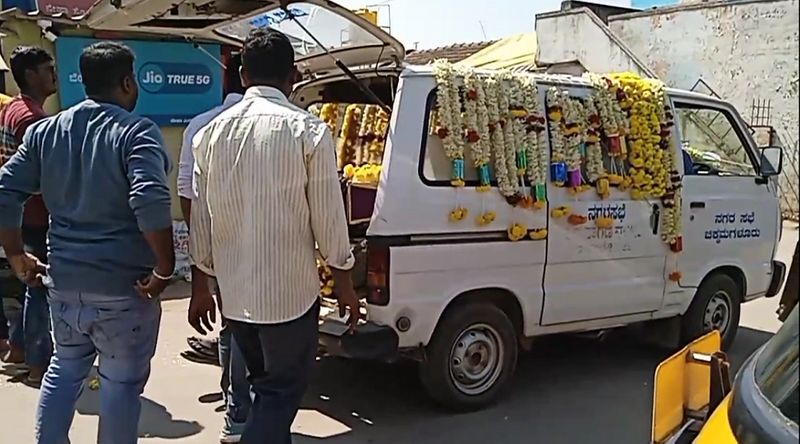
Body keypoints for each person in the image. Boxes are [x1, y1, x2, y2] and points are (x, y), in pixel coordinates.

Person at [188, 28, 361, 443]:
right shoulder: (308, 131)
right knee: (280, 393)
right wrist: (345, 286)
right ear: (294, 76)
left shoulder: (208, 134)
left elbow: (201, 220)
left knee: (265, 388)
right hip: (290, 299)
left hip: (235, 297)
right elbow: (329, 219)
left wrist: (200, 286)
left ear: (242, 75)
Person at [0, 41, 174, 443]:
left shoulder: (47, 131)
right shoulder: (135, 131)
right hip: (123, 289)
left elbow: (6, 188)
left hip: (64, 283)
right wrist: (164, 268)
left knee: (65, 367)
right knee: (120, 383)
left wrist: (15, 253)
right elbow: (149, 199)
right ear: (128, 82)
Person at [177, 53, 251, 443]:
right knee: (251, 328)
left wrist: (200, 267)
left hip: (218, 244)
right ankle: (241, 410)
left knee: (232, 324)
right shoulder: (292, 123)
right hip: (266, 248)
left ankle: (235, 405)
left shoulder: (199, 125)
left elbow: (188, 195)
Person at [0, 46, 57, 384]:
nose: (54, 75)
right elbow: (42, 178)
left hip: (21, 213)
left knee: (25, 284)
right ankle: (38, 364)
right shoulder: (32, 120)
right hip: (34, 215)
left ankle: (19, 348)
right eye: (48, 68)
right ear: (31, 74)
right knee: (40, 285)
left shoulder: (16, 109)